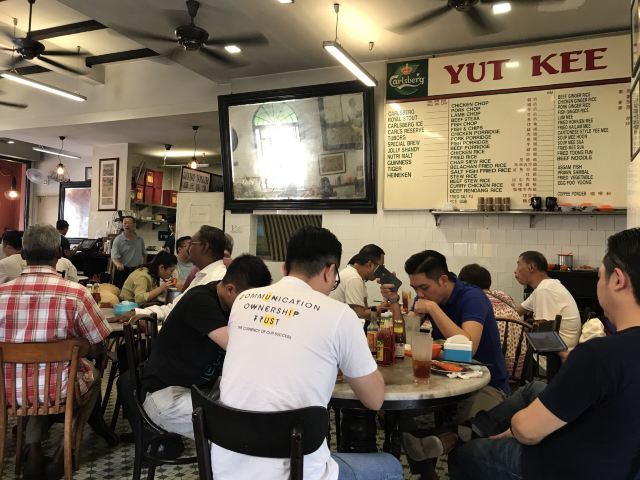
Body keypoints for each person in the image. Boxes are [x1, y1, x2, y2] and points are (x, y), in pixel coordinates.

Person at [449, 228, 640, 480]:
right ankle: (468, 431)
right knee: (534, 389)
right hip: (619, 452)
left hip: (572, 467)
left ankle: (458, 440)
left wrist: (518, 425)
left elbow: (527, 431)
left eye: (599, 276)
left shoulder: (599, 354)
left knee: (465, 456)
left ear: (617, 280)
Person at [214, 225, 402, 480]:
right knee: (390, 466)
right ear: (329, 271)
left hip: (226, 467)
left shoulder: (243, 301)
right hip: (297, 471)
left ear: (284, 268)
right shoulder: (339, 315)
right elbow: (375, 400)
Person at [380, 250, 509, 479]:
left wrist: (432, 308)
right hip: (444, 380)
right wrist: (395, 303)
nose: (420, 294)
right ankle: (428, 475)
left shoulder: (472, 297)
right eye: (415, 288)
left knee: (468, 428)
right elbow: (405, 336)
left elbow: (469, 346)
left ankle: (446, 446)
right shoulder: (427, 298)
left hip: (485, 384)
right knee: (403, 412)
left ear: (443, 279)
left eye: (424, 287)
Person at [0, 224, 110, 479]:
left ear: (23, 255)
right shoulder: (76, 294)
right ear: (59, 254)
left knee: (33, 381)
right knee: (92, 376)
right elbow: (98, 341)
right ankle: (64, 451)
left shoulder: (1, 294)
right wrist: (83, 348)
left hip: (7, 390)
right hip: (58, 389)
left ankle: (34, 450)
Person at [141, 254, 272, 438]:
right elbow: (240, 348)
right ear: (230, 289)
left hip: (203, 390)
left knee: (264, 408)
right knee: (236, 428)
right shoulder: (201, 301)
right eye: (251, 301)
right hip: (166, 395)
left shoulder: (232, 304)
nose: (254, 307)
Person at [129, 225, 227, 322]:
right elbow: (174, 307)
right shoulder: (202, 275)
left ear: (204, 247)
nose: (189, 249)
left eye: (191, 244)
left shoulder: (216, 279)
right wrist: (138, 312)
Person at [514, 251, 581, 352]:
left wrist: (518, 327)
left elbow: (543, 335)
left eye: (518, 265)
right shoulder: (545, 287)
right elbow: (515, 311)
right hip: (557, 349)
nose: (515, 271)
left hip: (558, 354)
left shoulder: (545, 289)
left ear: (531, 267)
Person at [330, 243, 385, 320]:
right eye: (381, 267)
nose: (382, 271)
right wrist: (384, 305)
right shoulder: (353, 278)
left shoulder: (356, 275)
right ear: (370, 264)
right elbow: (360, 315)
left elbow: (365, 310)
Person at [0, 230, 78, 284]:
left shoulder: (3, 264)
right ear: (60, 252)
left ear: (23, 254)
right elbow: (74, 281)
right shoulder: (66, 263)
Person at [111, 216, 145, 289]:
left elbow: (144, 254)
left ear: (134, 225)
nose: (126, 225)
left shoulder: (140, 240)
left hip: (136, 271)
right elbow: (114, 257)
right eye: (125, 223)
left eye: (129, 223)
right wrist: (118, 264)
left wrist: (143, 266)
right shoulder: (118, 240)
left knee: (136, 292)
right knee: (119, 292)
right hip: (123, 271)